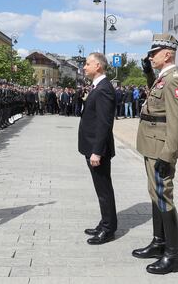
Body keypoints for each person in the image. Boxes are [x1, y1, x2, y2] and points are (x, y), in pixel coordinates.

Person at [133, 34, 178, 275]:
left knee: (163, 196)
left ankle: (173, 255)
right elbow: (156, 101)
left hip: (160, 149)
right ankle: (159, 243)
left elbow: (177, 122)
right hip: (151, 145)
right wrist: (147, 74)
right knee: (155, 194)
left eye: (154, 53)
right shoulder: (163, 78)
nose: (150, 56)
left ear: (167, 53)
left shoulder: (174, 79)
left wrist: (168, 154)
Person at [78, 52, 117, 245]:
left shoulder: (103, 89)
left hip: (97, 149)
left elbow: (104, 123)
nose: (84, 67)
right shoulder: (97, 86)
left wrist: (97, 151)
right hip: (92, 146)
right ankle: (105, 222)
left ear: (98, 67)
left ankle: (109, 229)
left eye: (87, 64)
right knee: (100, 188)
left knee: (103, 189)